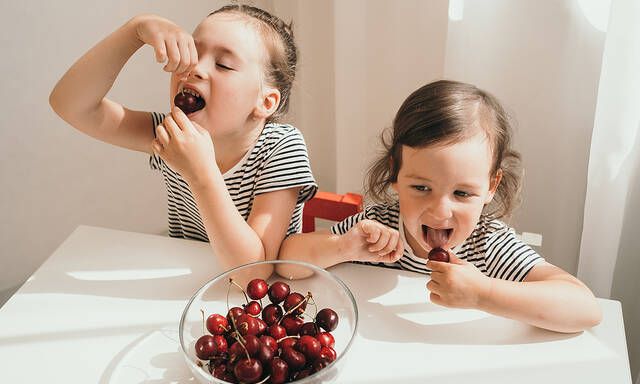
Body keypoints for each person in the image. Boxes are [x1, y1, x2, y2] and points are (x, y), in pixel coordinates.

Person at [277, 80, 601, 333]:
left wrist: (483, 293)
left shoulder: (488, 244)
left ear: (491, 186)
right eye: (421, 188)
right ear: (395, 175)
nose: (440, 211)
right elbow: (286, 262)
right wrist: (342, 246)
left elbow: (585, 309)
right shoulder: (379, 227)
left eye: (462, 193)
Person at [49, 5, 317, 274]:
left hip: (257, 300)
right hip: (189, 278)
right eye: (193, 54)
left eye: (223, 64)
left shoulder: (281, 147)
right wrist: (134, 30)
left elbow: (254, 272)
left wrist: (201, 173)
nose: (196, 69)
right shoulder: (170, 135)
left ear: (265, 102)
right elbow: (70, 106)